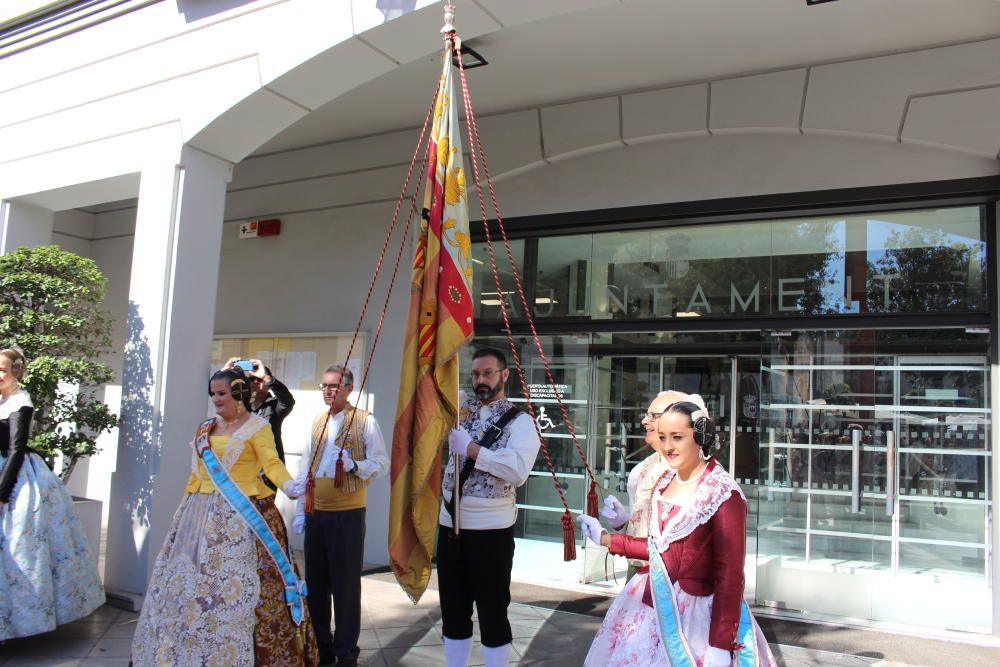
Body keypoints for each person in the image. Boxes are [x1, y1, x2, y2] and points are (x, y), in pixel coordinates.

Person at [131, 367, 319, 667]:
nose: (216, 399)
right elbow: (196, 475)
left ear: (240, 394)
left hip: (245, 517)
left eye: (222, 393)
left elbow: (271, 464)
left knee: (241, 586)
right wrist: (185, 513)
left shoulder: (257, 427)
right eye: (214, 394)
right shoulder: (205, 429)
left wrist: (290, 485)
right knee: (192, 583)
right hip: (199, 514)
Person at [579, 400, 775, 667]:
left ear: (701, 436)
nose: (668, 447)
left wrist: (719, 644)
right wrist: (605, 538)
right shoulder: (666, 483)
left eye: (677, 437)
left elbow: (730, 576)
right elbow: (658, 550)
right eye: (663, 438)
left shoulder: (722, 493)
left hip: (698, 619)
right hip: (652, 605)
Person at [439, 348, 541, 667]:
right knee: (453, 609)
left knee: (492, 609)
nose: (480, 380)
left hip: (491, 531)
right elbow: (429, 394)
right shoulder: (459, 410)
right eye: (475, 374)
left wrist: (472, 451)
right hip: (450, 524)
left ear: (504, 375)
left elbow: (517, 471)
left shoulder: (521, 421)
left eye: (488, 373)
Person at [0, 346, 105, 641]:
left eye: (2, 370)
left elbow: (16, 449)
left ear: (14, 372)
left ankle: (17, 622)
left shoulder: (20, 402)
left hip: (15, 477)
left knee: (20, 549)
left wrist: (2, 494)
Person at [293, 364, 389, 667]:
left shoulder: (364, 421)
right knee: (317, 584)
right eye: (324, 386)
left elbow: (382, 462)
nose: (328, 391)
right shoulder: (317, 421)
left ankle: (346, 650)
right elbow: (306, 468)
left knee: (346, 585)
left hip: (347, 513)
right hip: (316, 512)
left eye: (334, 386)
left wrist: (355, 465)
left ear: (349, 388)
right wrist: (300, 509)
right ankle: (322, 646)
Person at [601, 389, 688, 580]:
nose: (644, 421)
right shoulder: (641, 470)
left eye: (654, 416)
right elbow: (637, 529)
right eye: (646, 415)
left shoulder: (695, 471)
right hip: (638, 572)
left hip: (676, 579)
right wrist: (622, 523)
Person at [225, 356, 296, 489]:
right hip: (242, 471)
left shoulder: (274, 406)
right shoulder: (241, 407)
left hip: (266, 474)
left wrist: (268, 378)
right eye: (252, 379)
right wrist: (227, 372)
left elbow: (287, 401)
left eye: (259, 379)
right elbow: (220, 396)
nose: (255, 382)